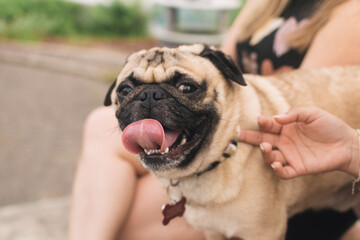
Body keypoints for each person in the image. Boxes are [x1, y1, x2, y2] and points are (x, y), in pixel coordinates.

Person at [68, 0, 360, 239]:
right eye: (128, 90)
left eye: (185, 87)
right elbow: (220, 57)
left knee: (117, 223)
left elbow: (305, 106)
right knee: (98, 123)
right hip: (204, 135)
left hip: (264, 148)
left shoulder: (350, 14)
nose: (149, 99)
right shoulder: (264, 3)